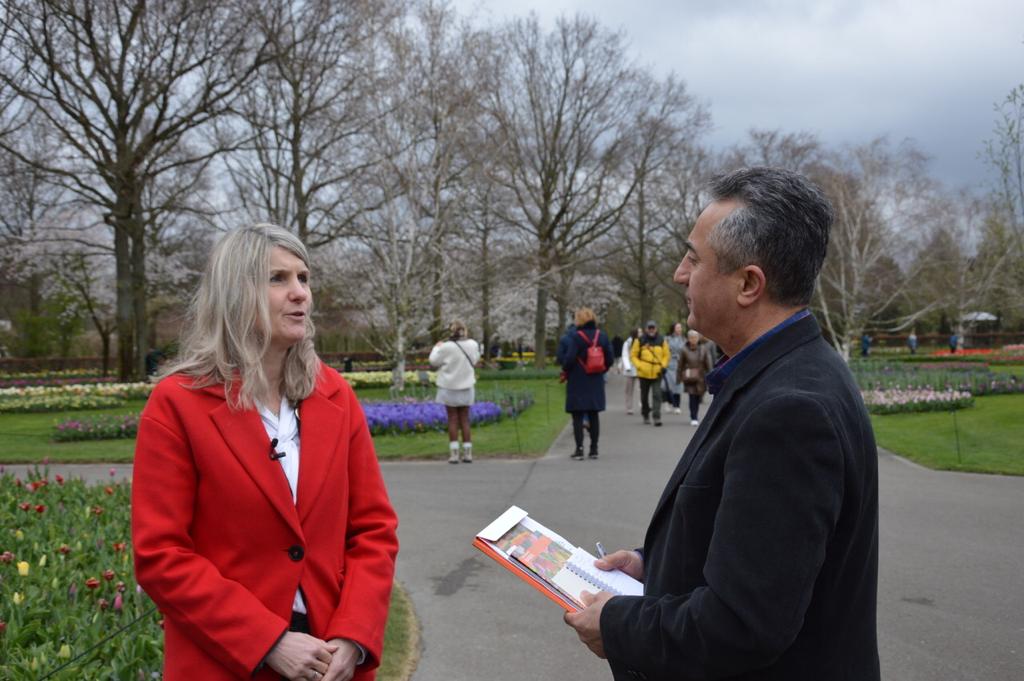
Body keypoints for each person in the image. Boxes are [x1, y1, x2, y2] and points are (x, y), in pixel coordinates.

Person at [564, 167, 880, 681]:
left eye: (693, 258)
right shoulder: (783, 372)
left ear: (749, 284)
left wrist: (619, 623)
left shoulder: (790, 411)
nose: (679, 274)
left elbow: (743, 624)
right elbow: (763, 551)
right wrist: (655, 566)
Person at [132, 224, 399, 681]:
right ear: (235, 294)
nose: (300, 294)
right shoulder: (177, 403)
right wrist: (267, 640)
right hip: (225, 661)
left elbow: (373, 530)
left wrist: (353, 636)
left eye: (304, 278)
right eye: (278, 279)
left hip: (332, 659)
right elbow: (161, 554)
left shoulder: (334, 395)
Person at [556, 307, 613, 460]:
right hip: (595, 380)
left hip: (578, 380)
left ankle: (579, 449)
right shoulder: (602, 336)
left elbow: (568, 359)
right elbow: (609, 358)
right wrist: (601, 369)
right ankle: (594, 449)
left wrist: (566, 369)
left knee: (577, 416)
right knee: (594, 415)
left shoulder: (576, 337)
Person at [429, 320, 481, 464]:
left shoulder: (446, 347)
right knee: (464, 419)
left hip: (449, 386)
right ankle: (468, 453)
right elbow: (475, 360)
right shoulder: (473, 344)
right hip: (467, 386)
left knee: (452, 418)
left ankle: (454, 453)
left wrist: (436, 347)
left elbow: (433, 361)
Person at [630, 320, 669, 426]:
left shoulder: (662, 340)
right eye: (649, 328)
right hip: (644, 373)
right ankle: (645, 414)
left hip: (657, 372)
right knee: (644, 396)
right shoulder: (640, 340)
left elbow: (666, 355)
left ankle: (657, 417)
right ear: (646, 329)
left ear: (656, 329)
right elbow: (633, 355)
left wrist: (663, 365)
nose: (651, 330)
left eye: (653, 328)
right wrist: (639, 366)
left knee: (657, 394)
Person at [678, 329, 714, 426]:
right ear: (688, 339)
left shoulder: (703, 349)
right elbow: (680, 364)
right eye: (691, 337)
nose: (693, 339)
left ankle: (695, 414)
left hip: (701, 377)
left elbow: (708, 363)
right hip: (689, 377)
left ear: (698, 338)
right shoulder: (684, 350)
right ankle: (694, 417)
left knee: (698, 396)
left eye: (695, 337)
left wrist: (711, 376)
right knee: (692, 396)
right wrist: (679, 377)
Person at [665, 322, 686, 414]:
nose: (679, 329)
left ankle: (677, 405)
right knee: (670, 385)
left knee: (678, 385)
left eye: (680, 327)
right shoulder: (668, 339)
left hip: (680, 365)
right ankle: (669, 402)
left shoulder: (684, 339)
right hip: (669, 364)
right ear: (673, 329)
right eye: (678, 327)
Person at [620, 328, 640, 414]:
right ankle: (629, 407)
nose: (641, 333)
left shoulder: (641, 341)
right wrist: (627, 367)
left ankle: (643, 405)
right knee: (629, 389)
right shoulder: (627, 343)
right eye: (639, 332)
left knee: (641, 389)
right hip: (630, 369)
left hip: (639, 368)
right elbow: (625, 355)